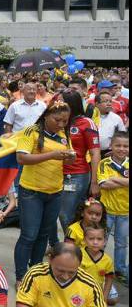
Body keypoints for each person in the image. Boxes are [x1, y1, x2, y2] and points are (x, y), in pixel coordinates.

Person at [15, 242, 126, 307]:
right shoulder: (35, 273)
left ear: (79, 265)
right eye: (60, 270)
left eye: (72, 272)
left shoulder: (90, 284)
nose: (65, 276)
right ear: (50, 260)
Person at [14, 98, 76, 288]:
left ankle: (36, 271)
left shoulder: (64, 135)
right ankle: (21, 276)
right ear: (46, 116)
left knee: (43, 235)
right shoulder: (31, 132)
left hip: (55, 191)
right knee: (29, 235)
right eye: (57, 120)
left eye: (64, 121)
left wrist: (70, 158)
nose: (61, 124)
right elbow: (22, 158)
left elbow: (67, 162)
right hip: (31, 191)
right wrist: (52, 155)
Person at [52, 90, 101, 246]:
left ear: (71, 104)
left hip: (77, 175)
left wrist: (94, 182)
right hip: (54, 174)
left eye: (61, 102)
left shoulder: (86, 123)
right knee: (62, 214)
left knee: (65, 214)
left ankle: (72, 247)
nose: (57, 105)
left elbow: (95, 153)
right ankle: (65, 245)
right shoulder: (57, 121)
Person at [97, 131, 129, 285]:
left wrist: (115, 179)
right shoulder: (104, 163)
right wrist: (126, 181)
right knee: (101, 240)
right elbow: (104, 184)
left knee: (122, 242)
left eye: (125, 146)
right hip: (107, 210)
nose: (122, 149)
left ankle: (120, 270)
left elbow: (110, 182)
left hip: (125, 211)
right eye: (118, 145)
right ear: (111, 146)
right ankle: (98, 267)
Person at [80, 225, 118, 306]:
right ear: (84, 240)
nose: (95, 242)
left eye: (99, 239)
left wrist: (104, 298)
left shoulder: (107, 260)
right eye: (91, 239)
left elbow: (109, 279)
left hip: (97, 290)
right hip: (79, 289)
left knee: (112, 301)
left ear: (104, 241)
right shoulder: (78, 255)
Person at [95, 91, 126, 157]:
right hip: (92, 153)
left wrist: (114, 151)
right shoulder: (90, 117)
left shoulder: (116, 118)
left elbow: (123, 137)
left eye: (110, 101)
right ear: (97, 104)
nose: (109, 104)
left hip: (109, 153)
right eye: (106, 101)